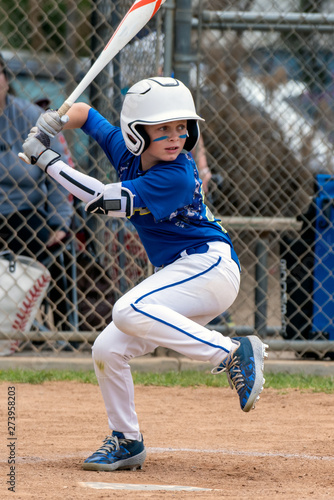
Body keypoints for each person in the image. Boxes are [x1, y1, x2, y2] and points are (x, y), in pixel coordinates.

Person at [22, 76, 268, 471]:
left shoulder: (177, 175)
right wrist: (54, 120)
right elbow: (86, 114)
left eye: (181, 127)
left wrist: (47, 159)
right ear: (136, 134)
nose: (175, 137)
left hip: (209, 266)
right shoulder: (125, 151)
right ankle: (127, 441)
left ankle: (229, 352)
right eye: (162, 129)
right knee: (108, 349)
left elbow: (103, 200)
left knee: (127, 308)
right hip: (184, 272)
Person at [0, 54, 74, 337]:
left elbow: (57, 169)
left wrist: (59, 220)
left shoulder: (29, 116)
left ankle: (68, 332)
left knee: (55, 252)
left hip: (25, 211)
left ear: (6, 79)